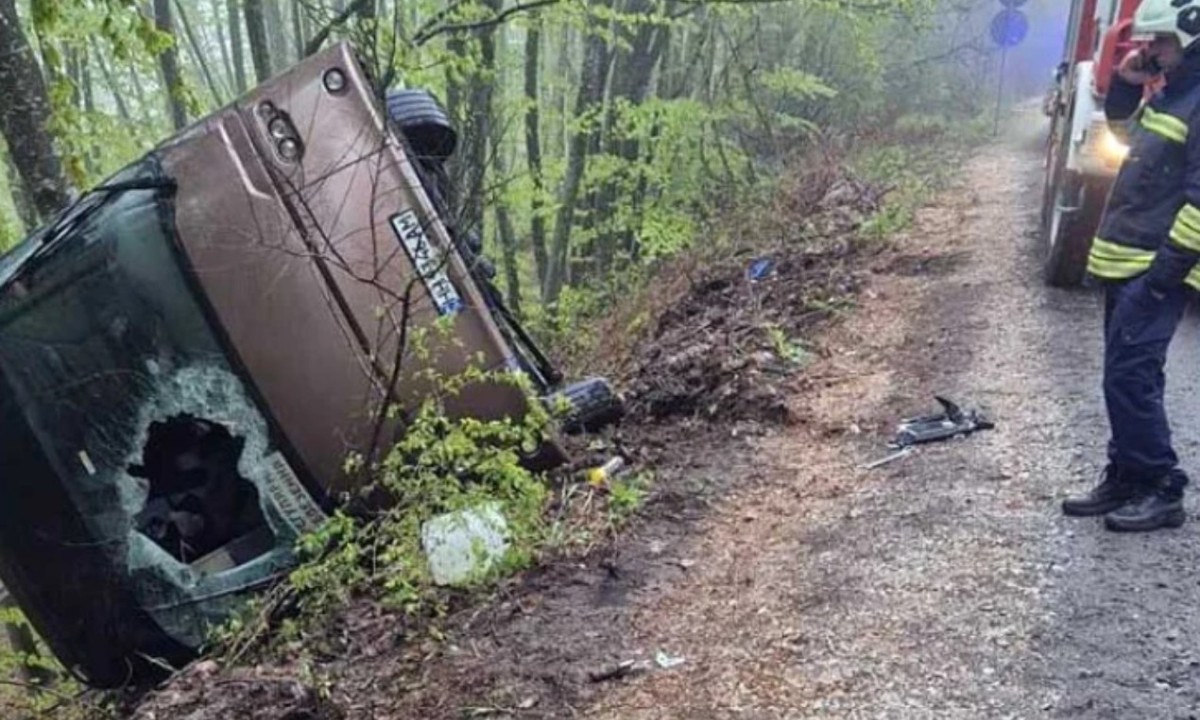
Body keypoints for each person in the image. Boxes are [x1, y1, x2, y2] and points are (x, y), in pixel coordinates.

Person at [1063, 0, 1200, 532]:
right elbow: (1128, 138)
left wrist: (1165, 274)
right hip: (1130, 260)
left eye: (1160, 42)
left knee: (1130, 374)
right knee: (1127, 375)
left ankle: (1161, 484)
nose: (1149, 50)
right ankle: (1125, 473)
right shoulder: (1175, 94)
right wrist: (1125, 84)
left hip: (1155, 268)